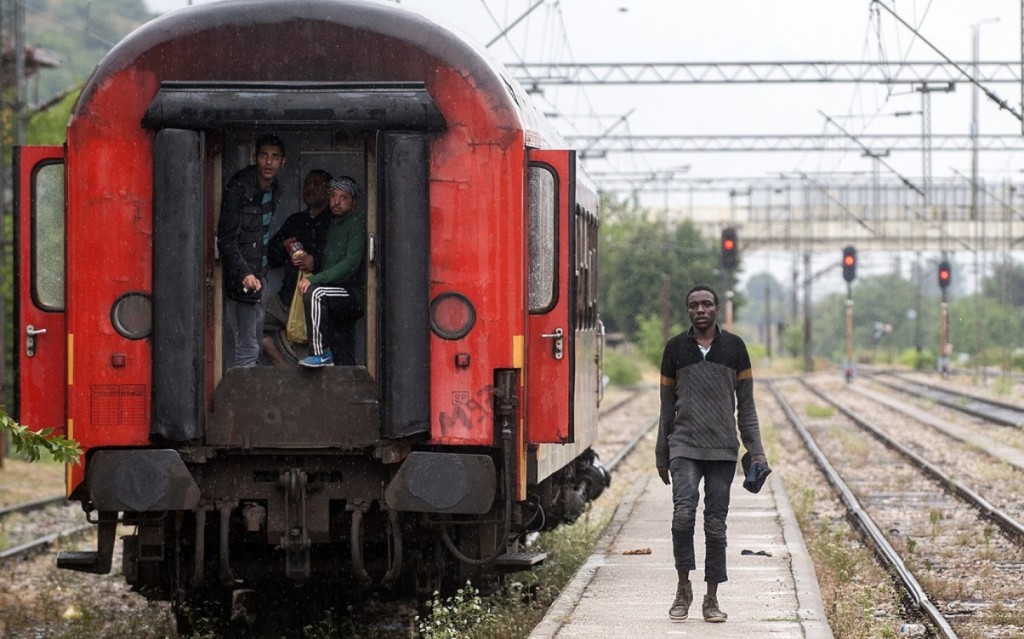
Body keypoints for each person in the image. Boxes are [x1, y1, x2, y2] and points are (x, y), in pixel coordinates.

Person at [655, 284, 768, 623]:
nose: (700, 309)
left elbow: (746, 407)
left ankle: (712, 597)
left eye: (706, 304)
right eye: (694, 305)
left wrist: (757, 452)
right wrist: (662, 453)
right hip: (684, 446)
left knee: (716, 525)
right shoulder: (675, 349)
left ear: (716, 309)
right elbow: (665, 407)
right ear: (687, 311)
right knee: (683, 516)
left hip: (722, 450)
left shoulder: (735, 348)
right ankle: (683, 587)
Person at [217, 133, 287, 367]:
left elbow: (260, 234)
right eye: (264, 156)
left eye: (275, 157)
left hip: (260, 274)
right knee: (248, 346)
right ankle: (244, 403)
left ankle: (248, 398)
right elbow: (226, 240)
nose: (269, 163)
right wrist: (244, 274)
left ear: (282, 162)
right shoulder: (240, 188)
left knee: (254, 341)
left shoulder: (274, 188)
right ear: (254, 158)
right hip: (244, 279)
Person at [262, 169, 334, 366]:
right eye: (307, 183)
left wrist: (315, 261)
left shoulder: (333, 223)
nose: (310, 188)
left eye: (317, 184)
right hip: (286, 297)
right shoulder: (295, 221)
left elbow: (341, 262)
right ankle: (281, 365)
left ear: (329, 192)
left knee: (308, 364)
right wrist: (286, 247)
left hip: (314, 302)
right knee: (254, 322)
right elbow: (272, 257)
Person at [297, 176, 366, 368]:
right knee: (342, 347)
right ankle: (348, 388)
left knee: (315, 293)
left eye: (343, 197)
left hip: (352, 294)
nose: (336, 202)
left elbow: (350, 264)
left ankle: (319, 354)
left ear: (354, 201)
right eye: (333, 196)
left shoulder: (356, 224)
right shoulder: (334, 225)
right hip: (335, 292)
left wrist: (316, 279)